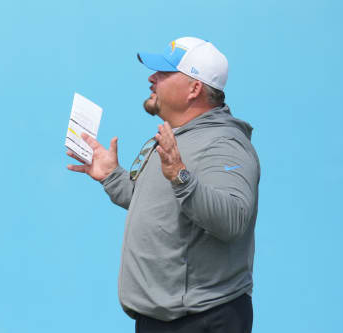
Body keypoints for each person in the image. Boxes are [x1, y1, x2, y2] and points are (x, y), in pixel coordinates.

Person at [67, 37, 260, 333]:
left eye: (164, 73)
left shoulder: (225, 144)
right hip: (165, 320)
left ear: (194, 89)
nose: (151, 78)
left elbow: (232, 220)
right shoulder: (180, 138)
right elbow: (164, 206)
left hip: (203, 320)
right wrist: (112, 176)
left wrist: (180, 176)